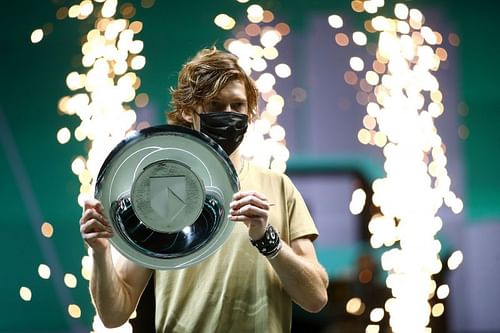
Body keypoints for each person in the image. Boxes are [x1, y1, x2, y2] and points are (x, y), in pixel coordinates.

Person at [80, 47, 329, 332]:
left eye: (237, 105)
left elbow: (316, 297)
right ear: (189, 111)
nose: (228, 114)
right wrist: (99, 253)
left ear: (250, 111)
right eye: (215, 105)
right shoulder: (161, 189)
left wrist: (267, 238)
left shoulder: (278, 187)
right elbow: (114, 315)